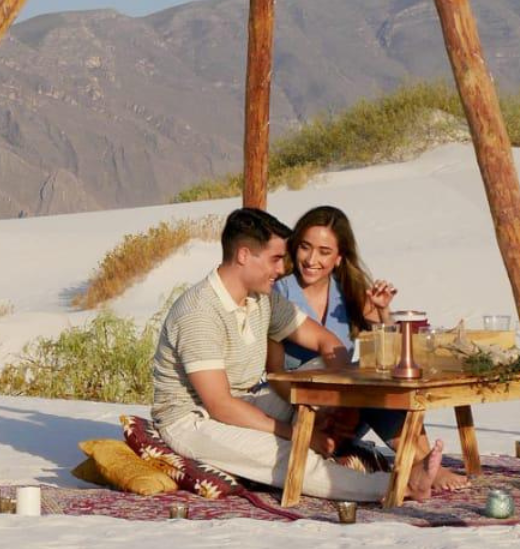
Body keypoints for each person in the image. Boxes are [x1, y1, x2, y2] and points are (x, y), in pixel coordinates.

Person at [151, 205, 444, 504]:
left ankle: (389, 450)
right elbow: (220, 406)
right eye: (275, 259)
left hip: (247, 399)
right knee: (287, 452)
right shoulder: (200, 311)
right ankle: (399, 485)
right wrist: (298, 433)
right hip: (192, 419)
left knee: (337, 370)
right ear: (243, 255)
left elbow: (327, 341)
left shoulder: (261, 299)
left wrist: (335, 402)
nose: (281, 269)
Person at [269, 203, 464, 489]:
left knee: (378, 373)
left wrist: (384, 312)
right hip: (303, 407)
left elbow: (395, 353)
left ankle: (421, 462)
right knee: (364, 374)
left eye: (324, 252)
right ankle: (418, 462)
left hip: (348, 409)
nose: (312, 259)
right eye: (305, 247)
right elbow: (273, 372)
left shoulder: (348, 290)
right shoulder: (279, 292)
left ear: (338, 258)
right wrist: (336, 402)